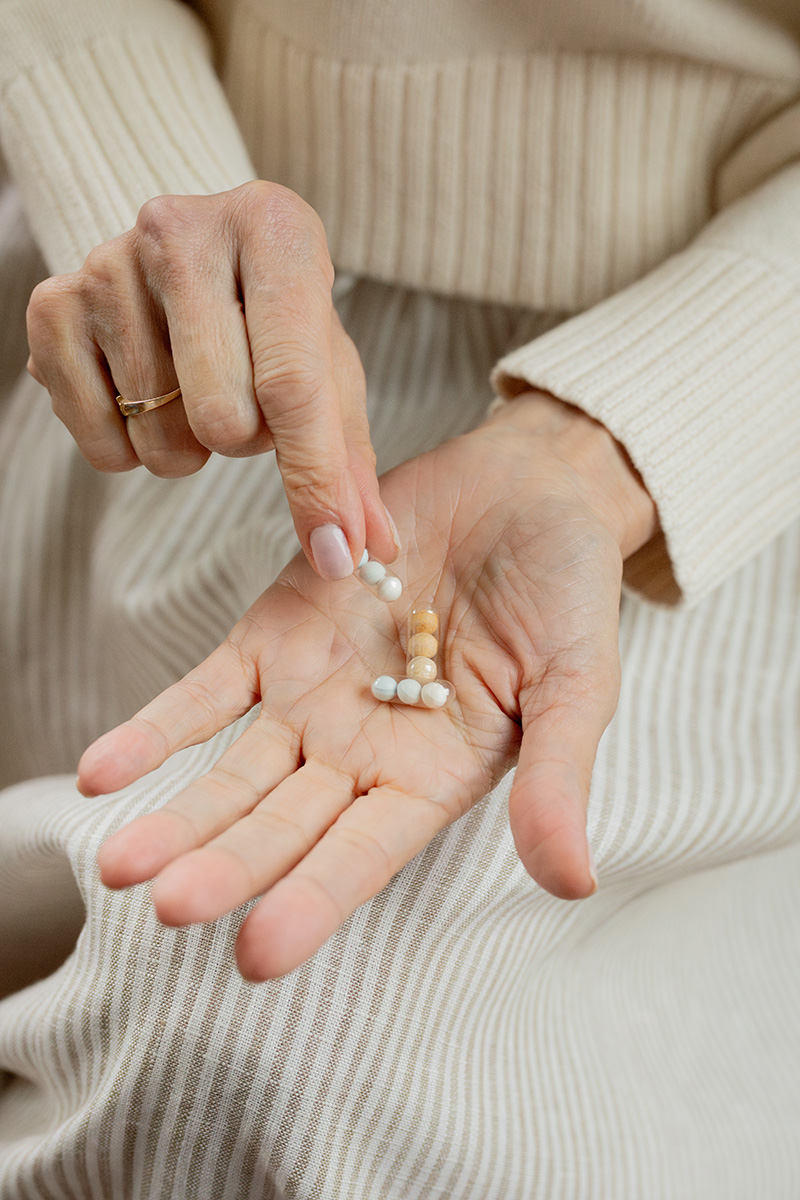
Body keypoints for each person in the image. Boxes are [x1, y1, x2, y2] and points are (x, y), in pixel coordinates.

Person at [0, 0, 799, 1195]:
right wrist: (161, 217)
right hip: (208, 355)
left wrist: (599, 452)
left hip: (720, 402)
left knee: (288, 1052)